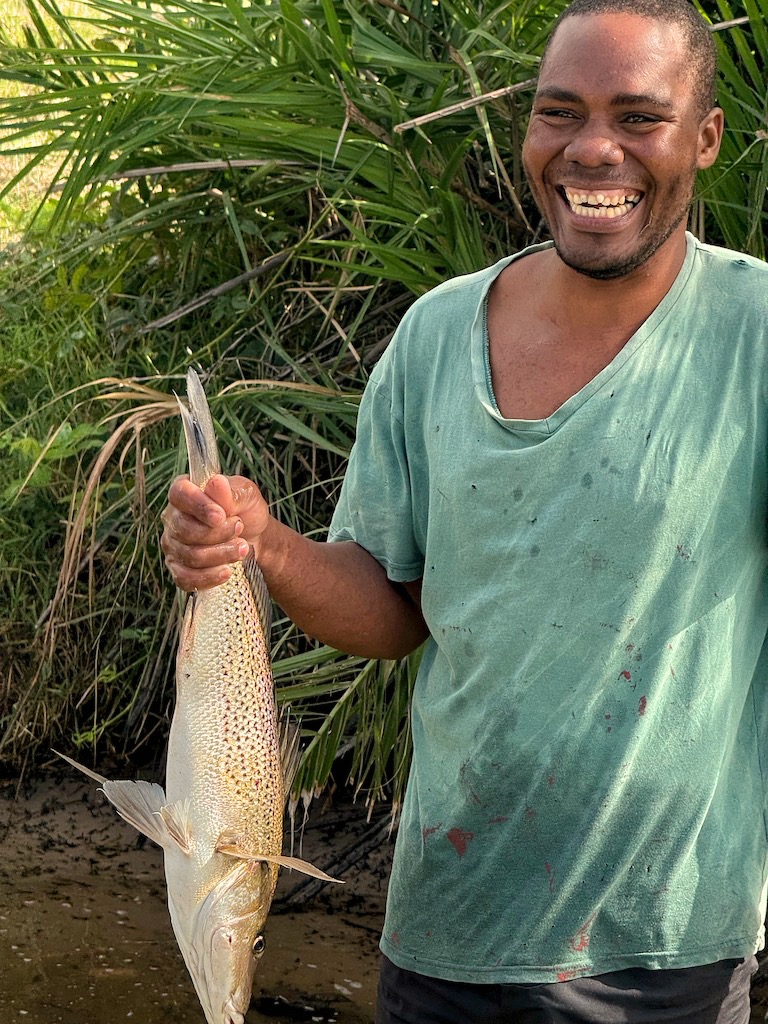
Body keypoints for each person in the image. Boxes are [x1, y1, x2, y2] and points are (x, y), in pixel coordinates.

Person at [161, 1, 768, 1021]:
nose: (593, 150)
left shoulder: (753, 333)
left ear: (705, 138)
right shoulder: (437, 334)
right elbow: (392, 608)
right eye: (559, 112)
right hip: (443, 938)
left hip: (659, 955)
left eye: (639, 117)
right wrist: (259, 543)